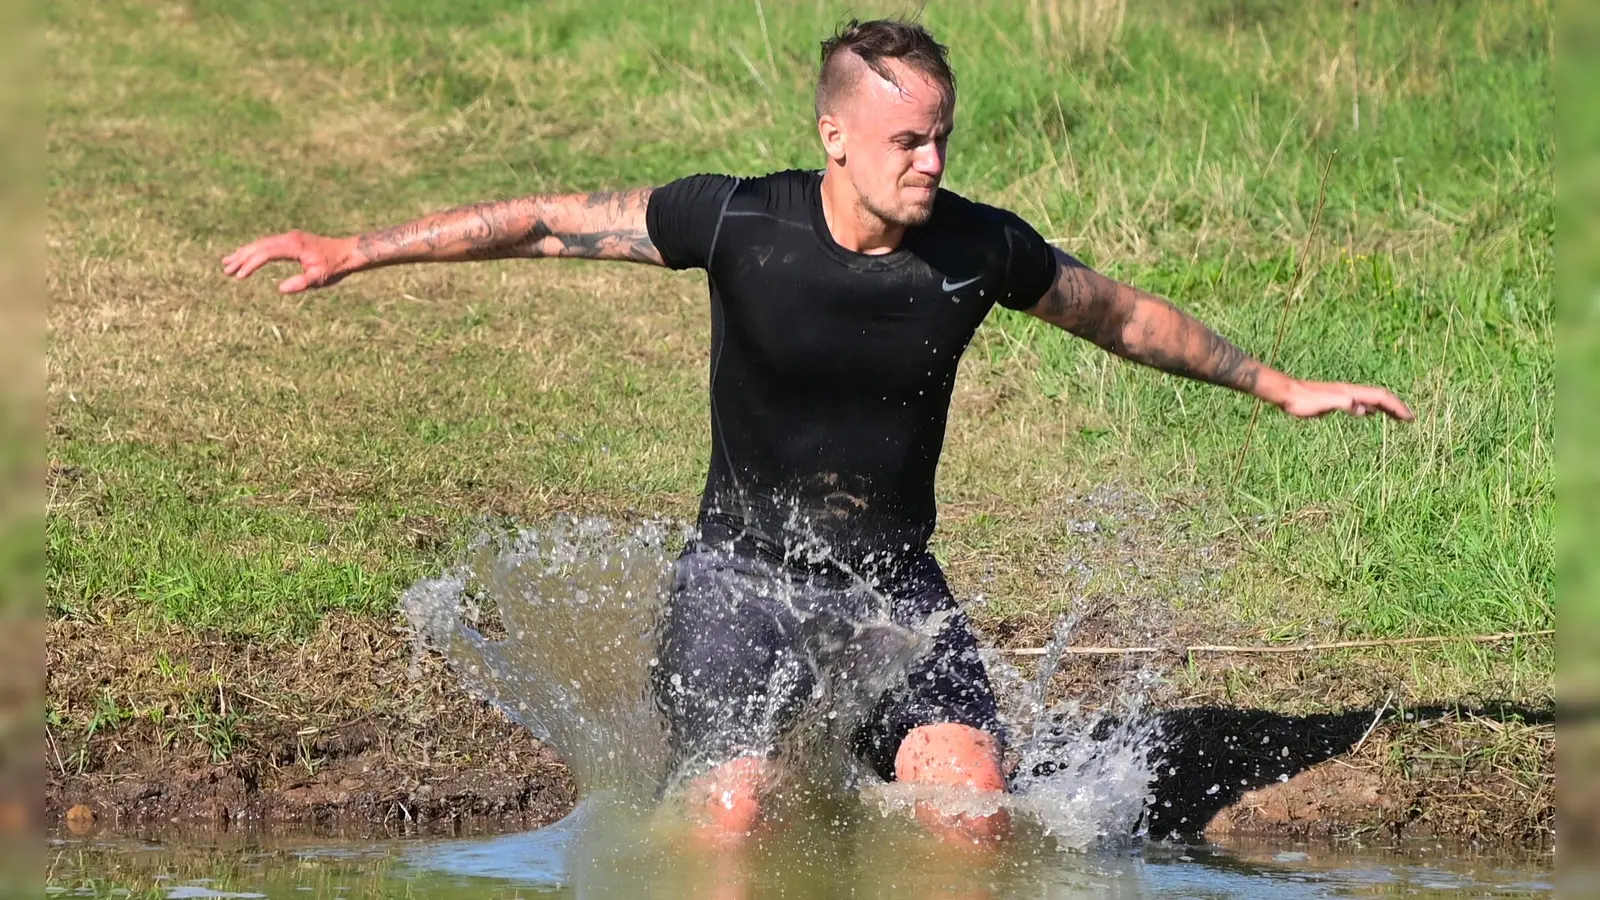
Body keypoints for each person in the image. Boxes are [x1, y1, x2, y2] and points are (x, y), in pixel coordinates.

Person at [222, 18, 1413, 847]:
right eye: (908, 141)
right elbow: (542, 221)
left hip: (891, 587)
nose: (932, 162)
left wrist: (1277, 385)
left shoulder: (974, 248)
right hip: (736, 578)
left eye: (942, 135)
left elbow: (1114, 312)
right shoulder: (740, 221)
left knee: (973, 812)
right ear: (837, 137)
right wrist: (353, 250)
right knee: (734, 817)